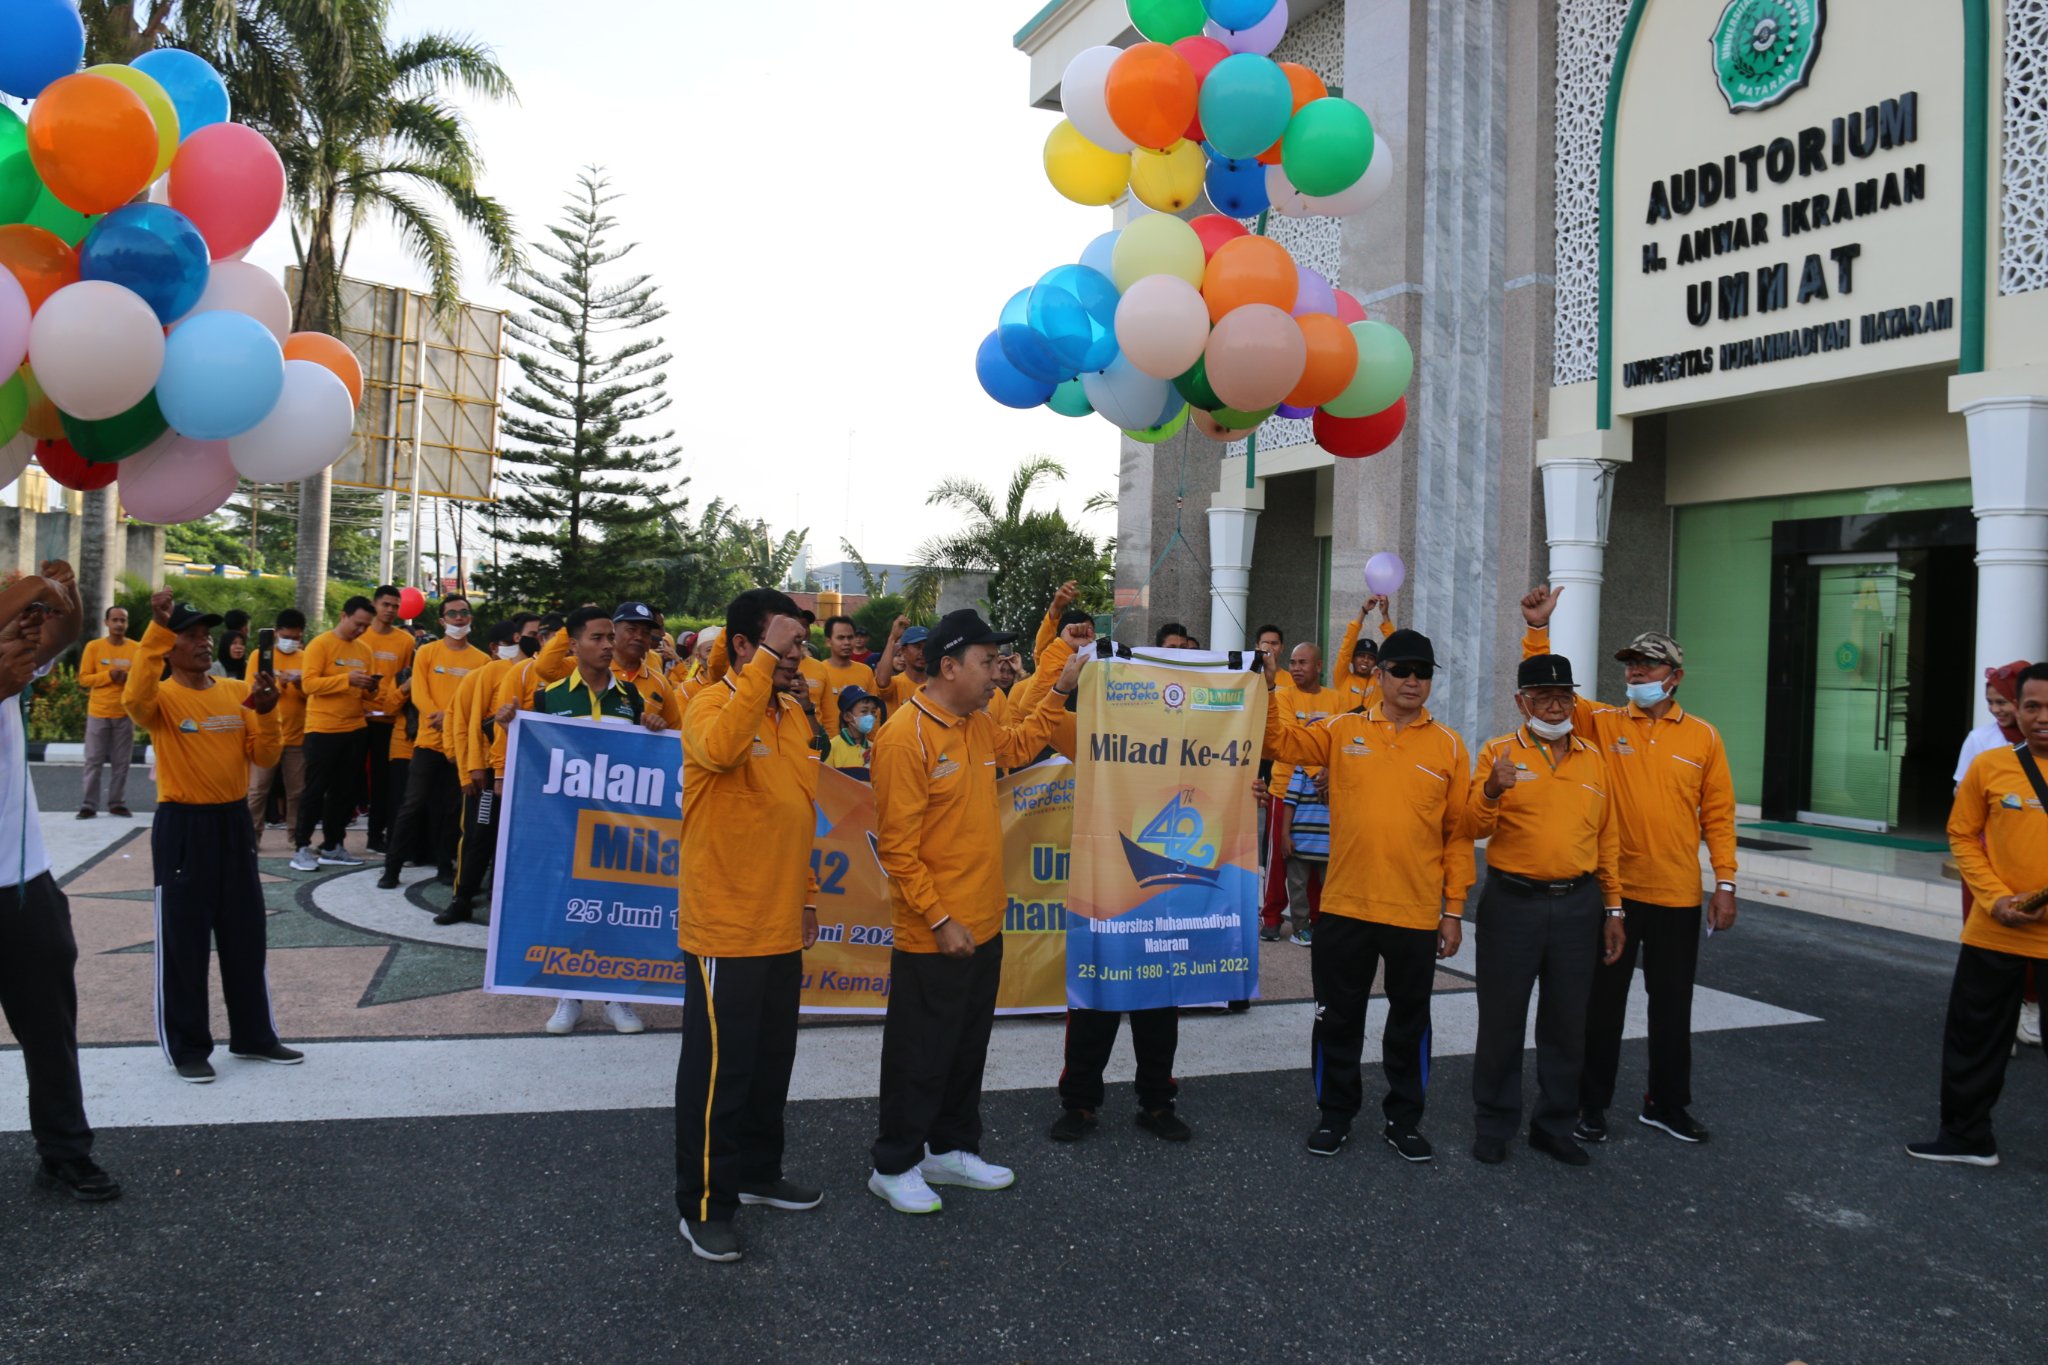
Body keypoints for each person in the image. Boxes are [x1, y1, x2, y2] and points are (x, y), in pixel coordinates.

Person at [866, 611, 1085, 1214]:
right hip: (934, 931)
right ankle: (896, 1162)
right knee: (920, 1049)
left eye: (996, 662)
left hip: (984, 920)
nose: (996, 674)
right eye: (987, 663)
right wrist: (939, 919)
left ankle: (951, 1147)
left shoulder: (976, 722)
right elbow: (897, 849)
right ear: (949, 667)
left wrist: (1060, 686)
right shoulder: (904, 736)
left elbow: (1019, 744)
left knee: (966, 1046)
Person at [1519, 586, 1737, 1146]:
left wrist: (1727, 882)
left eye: (1647, 664)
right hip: (1612, 892)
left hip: (1678, 893)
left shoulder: (1704, 737)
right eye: (1631, 664)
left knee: (1672, 1007)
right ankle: (1591, 1105)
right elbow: (1544, 689)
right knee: (1602, 1007)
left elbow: (1718, 814)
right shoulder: (1602, 722)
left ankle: (1666, 1103)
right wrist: (1538, 629)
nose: (1636, 672)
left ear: (1675, 675)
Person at [1261, 627, 1473, 1162]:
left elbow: (1459, 836)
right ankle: (1335, 1115)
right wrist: (1265, 692)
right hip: (1346, 904)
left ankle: (1404, 1119)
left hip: (1414, 909)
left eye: (1422, 673)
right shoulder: (1341, 728)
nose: (1411, 681)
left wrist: (1453, 912)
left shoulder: (1449, 745)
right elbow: (1278, 743)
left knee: (1409, 1021)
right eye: (1400, 670)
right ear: (1377, 676)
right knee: (1338, 1016)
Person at [674, 588, 826, 1263]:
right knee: (719, 1073)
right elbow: (722, 751)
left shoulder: (791, 713)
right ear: (745, 644)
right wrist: (764, 665)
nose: (801, 654)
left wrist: (811, 894)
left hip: (780, 924)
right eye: (788, 640)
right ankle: (705, 1202)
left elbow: (800, 810)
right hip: (724, 928)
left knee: (771, 1062)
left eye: (798, 643)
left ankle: (759, 1173)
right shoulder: (709, 704)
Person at [126, 588, 297, 1084]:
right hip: (183, 827)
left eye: (206, 635)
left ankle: (253, 1036)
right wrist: (155, 630)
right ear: (169, 648)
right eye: (192, 636)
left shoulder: (231, 693)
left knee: (246, 933)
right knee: (185, 941)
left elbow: (264, 757)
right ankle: (187, 1047)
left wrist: (266, 712)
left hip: (232, 823)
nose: (204, 643)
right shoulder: (160, 697)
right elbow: (133, 700)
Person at [1462, 654, 1626, 1167]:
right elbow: (1470, 825)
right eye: (1542, 697)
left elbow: (1609, 838)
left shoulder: (1595, 759)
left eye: (1564, 697)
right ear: (1520, 701)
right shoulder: (1498, 752)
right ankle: (1494, 1123)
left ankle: (1554, 1124)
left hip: (1579, 906)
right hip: (1513, 904)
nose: (1555, 706)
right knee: (1502, 1020)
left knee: (1566, 1023)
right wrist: (1492, 789)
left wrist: (1614, 909)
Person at [0, 562, 120, 1201]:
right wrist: (27, 592)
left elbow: (64, 635)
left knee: (50, 1028)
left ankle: (65, 1152)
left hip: (23, 885)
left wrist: (64, 599)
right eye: (17, 629)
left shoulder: (14, 667)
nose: (28, 641)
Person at [1907, 663, 2048, 1166]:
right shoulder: (1990, 766)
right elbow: (1963, 836)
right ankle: (1967, 1137)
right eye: (2032, 706)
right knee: (1974, 1041)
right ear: (2018, 710)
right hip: (1995, 930)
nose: (2041, 717)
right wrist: (1995, 897)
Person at [527, 607, 666, 1035]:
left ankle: (616, 996)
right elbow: (534, 760)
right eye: (598, 638)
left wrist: (656, 728)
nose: (609, 645)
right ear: (573, 645)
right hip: (565, 829)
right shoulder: (549, 697)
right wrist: (514, 728)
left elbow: (650, 760)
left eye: (611, 637)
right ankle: (568, 996)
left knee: (614, 908)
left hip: (616, 831)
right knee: (570, 908)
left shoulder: (632, 699)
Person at [1951, 660, 2038, 1046]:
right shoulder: (1982, 744)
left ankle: (2030, 1005)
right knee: (1992, 939)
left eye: (2003, 701)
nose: (1999, 710)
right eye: (1992, 702)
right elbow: (1962, 821)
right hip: (1992, 865)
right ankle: (2000, 1019)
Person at [438, 614, 542, 924]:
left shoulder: (547, 674)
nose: (540, 639)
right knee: (479, 835)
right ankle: (462, 897)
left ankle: (500, 896)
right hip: (488, 772)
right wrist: (471, 768)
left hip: (528, 775)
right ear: (516, 638)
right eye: (534, 634)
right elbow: (466, 723)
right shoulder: (488, 673)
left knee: (516, 839)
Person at [377, 595, 486, 890]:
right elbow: (419, 693)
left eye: (464, 613)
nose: (459, 618)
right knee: (412, 804)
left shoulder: (482, 661)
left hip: (460, 746)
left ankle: (444, 866)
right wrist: (436, 715)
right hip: (427, 741)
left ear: (470, 618)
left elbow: (477, 703)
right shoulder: (426, 652)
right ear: (442, 620)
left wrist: (450, 718)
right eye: (453, 614)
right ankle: (392, 868)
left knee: (452, 810)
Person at [290, 596, 378, 872]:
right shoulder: (320, 644)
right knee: (314, 790)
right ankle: (301, 847)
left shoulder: (365, 649)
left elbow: (365, 689)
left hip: (355, 728)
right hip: (323, 729)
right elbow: (309, 684)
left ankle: (332, 845)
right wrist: (346, 679)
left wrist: (370, 687)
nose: (361, 630)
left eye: (366, 626)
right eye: (357, 624)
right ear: (343, 616)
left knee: (345, 793)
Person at [1269, 642, 1339, 946]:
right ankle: (1271, 918)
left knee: (1317, 863)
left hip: (1326, 796)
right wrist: (1318, 774)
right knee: (1281, 862)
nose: (1296, 668)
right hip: (1286, 790)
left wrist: (1331, 775)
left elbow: (1342, 738)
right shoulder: (1284, 694)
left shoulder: (1336, 699)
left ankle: (1314, 919)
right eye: (1293, 662)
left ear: (1319, 667)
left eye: (1303, 663)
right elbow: (1288, 736)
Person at [361, 586, 417, 854]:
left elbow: (406, 679)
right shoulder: (362, 635)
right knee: (352, 780)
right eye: (385, 604)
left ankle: (377, 835)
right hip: (358, 718)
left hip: (390, 721)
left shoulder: (405, 642)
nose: (390, 610)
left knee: (384, 783)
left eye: (395, 606)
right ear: (375, 605)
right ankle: (332, 839)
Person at [246, 608, 308, 847]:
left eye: (295, 638)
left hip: (296, 737)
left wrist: (300, 684)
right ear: (276, 632)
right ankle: (251, 837)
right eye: (286, 636)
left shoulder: (305, 658)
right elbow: (248, 691)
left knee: (297, 792)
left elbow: (311, 694)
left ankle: (296, 837)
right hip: (265, 735)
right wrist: (278, 685)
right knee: (258, 790)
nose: (290, 642)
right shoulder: (260, 656)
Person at [76, 604, 140, 819]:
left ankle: (117, 802)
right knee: (93, 761)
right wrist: (108, 676)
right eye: (115, 620)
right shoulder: (94, 647)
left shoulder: (136, 649)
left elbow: (142, 679)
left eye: (123, 620)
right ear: (106, 623)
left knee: (121, 763)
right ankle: (88, 805)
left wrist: (127, 677)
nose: (119, 624)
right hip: (98, 712)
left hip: (124, 713)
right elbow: (84, 679)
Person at [816, 616, 878, 738]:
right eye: (841, 638)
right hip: (828, 745)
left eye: (850, 637)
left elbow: (874, 712)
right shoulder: (819, 671)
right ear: (828, 641)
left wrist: (872, 743)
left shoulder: (865, 671)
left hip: (861, 747)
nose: (847, 643)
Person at [874, 619, 930, 714]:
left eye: (927, 647)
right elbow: (882, 682)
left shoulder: (937, 686)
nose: (923, 653)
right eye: (918, 647)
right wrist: (892, 638)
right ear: (903, 650)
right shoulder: (896, 683)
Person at [828, 686, 883, 778]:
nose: (870, 716)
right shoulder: (832, 747)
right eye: (864, 711)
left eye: (873, 712)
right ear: (847, 717)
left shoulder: (875, 749)